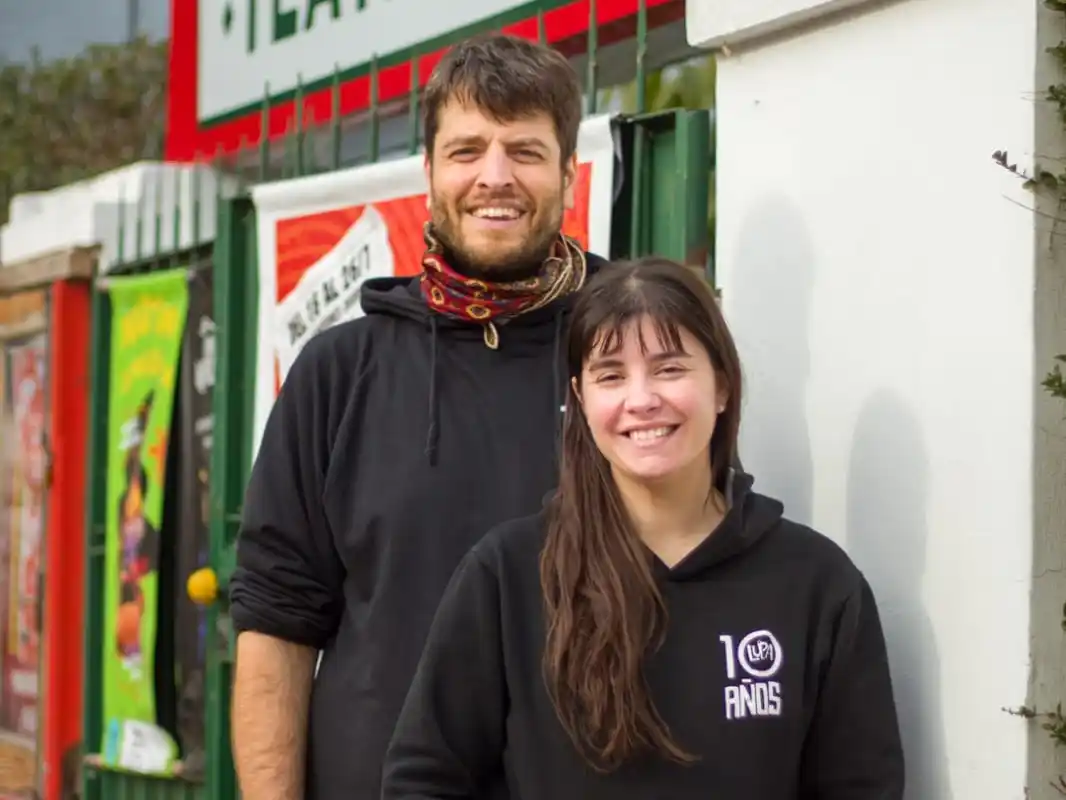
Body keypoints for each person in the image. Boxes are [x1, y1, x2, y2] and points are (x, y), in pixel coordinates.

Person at [227, 32, 606, 800]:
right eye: (467, 150)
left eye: (525, 152)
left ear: (569, 173)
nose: (495, 177)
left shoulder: (623, 361)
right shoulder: (337, 374)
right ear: (428, 171)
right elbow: (276, 628)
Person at [382, 257, 905, 800]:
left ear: (722, 387)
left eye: (670, 368)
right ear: (582, 401)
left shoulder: (816, 584)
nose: (641, 399)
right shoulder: (509, 574)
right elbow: (425, 778)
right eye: (611, 375)